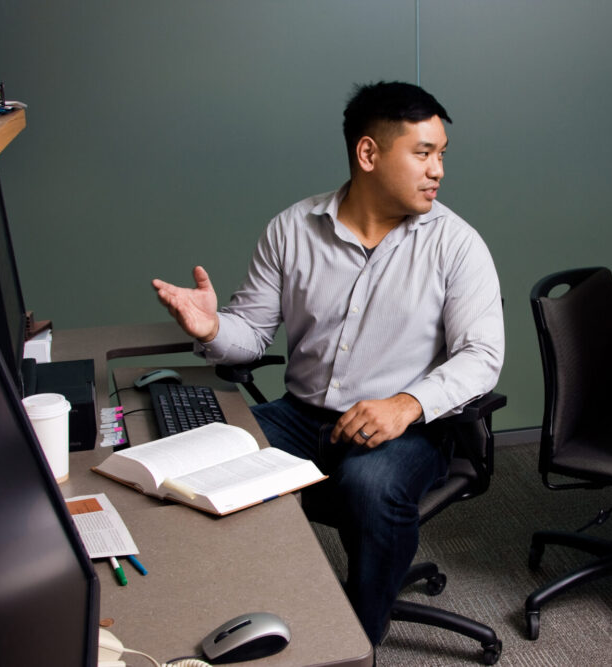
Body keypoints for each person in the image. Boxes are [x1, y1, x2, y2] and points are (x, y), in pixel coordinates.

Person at [152, 81, 505, 645]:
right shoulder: (291, 230)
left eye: (441, 155)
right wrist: (214, 328)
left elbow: (482, 357)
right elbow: (251, 335)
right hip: (302, 415)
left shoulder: (457, 245)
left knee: (369, 486)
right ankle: (230, 619)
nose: (438, 170)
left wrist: (407, 405)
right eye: (422, 153)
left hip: (406, 431)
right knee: (202, 457)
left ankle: (353, 646)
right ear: (369, 154)